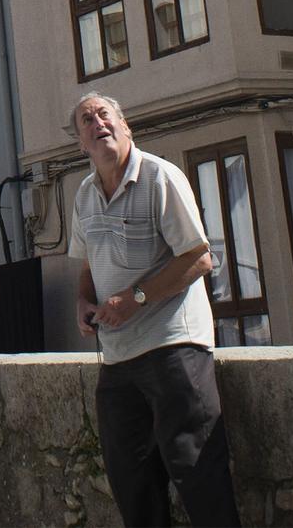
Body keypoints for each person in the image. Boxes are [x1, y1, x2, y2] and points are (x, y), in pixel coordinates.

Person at [67, 92, 240, 528]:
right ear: (81, 143)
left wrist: (136, 298)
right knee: (133, 487)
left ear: (126, 126)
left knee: (200, 478)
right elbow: (88, 264)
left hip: (173, 348)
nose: (97, 123)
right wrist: (83, 302)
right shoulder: (84, 196)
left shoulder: (160, 177)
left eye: (105, 114)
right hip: (119, 359)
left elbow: (200, 257)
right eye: (87, 120)